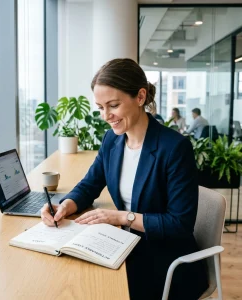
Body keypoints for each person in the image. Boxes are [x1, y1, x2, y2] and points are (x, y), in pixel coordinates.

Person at [41, 58, 208, 300]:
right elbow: (90, 184)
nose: (106, 115)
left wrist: (121, 217)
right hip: (125, 243)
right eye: (100, 107)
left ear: (140, 97)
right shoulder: (112, 141)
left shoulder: (174, 148)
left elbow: (179, 225)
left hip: (165, 259)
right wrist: (65, 206)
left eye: (113, 105)